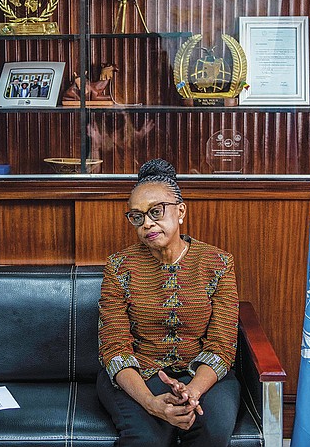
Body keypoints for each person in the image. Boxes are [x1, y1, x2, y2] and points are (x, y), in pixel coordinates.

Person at [97, 158, 240, 447]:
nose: (147, 223)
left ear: (181, 211)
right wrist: (152, 403)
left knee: (212, 431)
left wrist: (192, 392)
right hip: (136, 373)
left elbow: (222, 344)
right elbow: (114, 347)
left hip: (202, 374)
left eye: (156, 212)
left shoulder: (218, 263)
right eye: (137, 217)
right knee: (147, 438)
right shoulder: (119, 266)